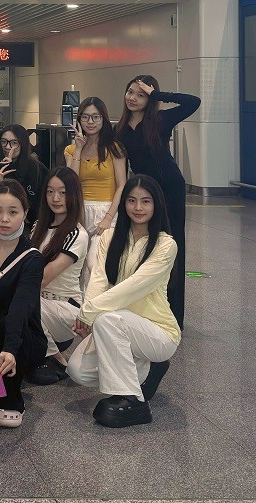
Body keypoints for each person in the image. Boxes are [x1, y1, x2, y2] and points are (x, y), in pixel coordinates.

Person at [67, 175, 180, 428]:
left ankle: (132, 401)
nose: (138, 208)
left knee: (107, 320)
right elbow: (98, 279)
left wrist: (90, 313)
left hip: (158, 331)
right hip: (119, 325)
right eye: (131, 200)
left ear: (156, 204)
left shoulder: (165, 245)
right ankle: (147, 371)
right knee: (78, 371)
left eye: (145, 201)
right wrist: (88, 315)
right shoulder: (110, 238)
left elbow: (132, 288)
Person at [115, 75, 200, 329]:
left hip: (170, 189)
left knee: (172, 245)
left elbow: (193, 102)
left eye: (141, 95)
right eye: (131, 92)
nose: (133, 98)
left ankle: (174, 315)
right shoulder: (120, 129)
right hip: (143, 193)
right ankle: (147, 308)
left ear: (149, 98)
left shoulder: (160, 120)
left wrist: (158, 95)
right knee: (145, 246)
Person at [0, 179, 46, 428]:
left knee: (6, 323)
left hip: (21, 336)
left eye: (13, 212)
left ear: (25, 213)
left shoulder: (32, 258)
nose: (4, 219)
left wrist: (11, 348)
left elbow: (21, 307)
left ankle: (13, 401)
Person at [27, 167, 88, 385]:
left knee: (21, 302)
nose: (55, 198)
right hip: (40, 305)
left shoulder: (76, 234)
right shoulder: (38, 226)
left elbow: (43, 277)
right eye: (50, 191)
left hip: (64, 308)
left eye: (63, 192)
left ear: (74, 195)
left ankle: (58, 359)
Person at [65, 96, 127, 289]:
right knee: (77, 267)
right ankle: (81, 305)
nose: (90, 122)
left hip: (105, 211)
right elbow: (71, 181)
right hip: (78, 211)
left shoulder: (114, 148)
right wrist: (78, 149)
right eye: (85, 117)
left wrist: (108, 218)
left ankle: (97, 304)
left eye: (95, 117)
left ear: (103, 119)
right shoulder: (71, 150)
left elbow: (122, 185)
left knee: (95, 265)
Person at [0, 124, 48, 231]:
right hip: (4, 223)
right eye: (3, 141)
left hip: (34, 225)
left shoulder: (36, 168)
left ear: (23, 144)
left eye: (14, 143)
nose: (8, 147)